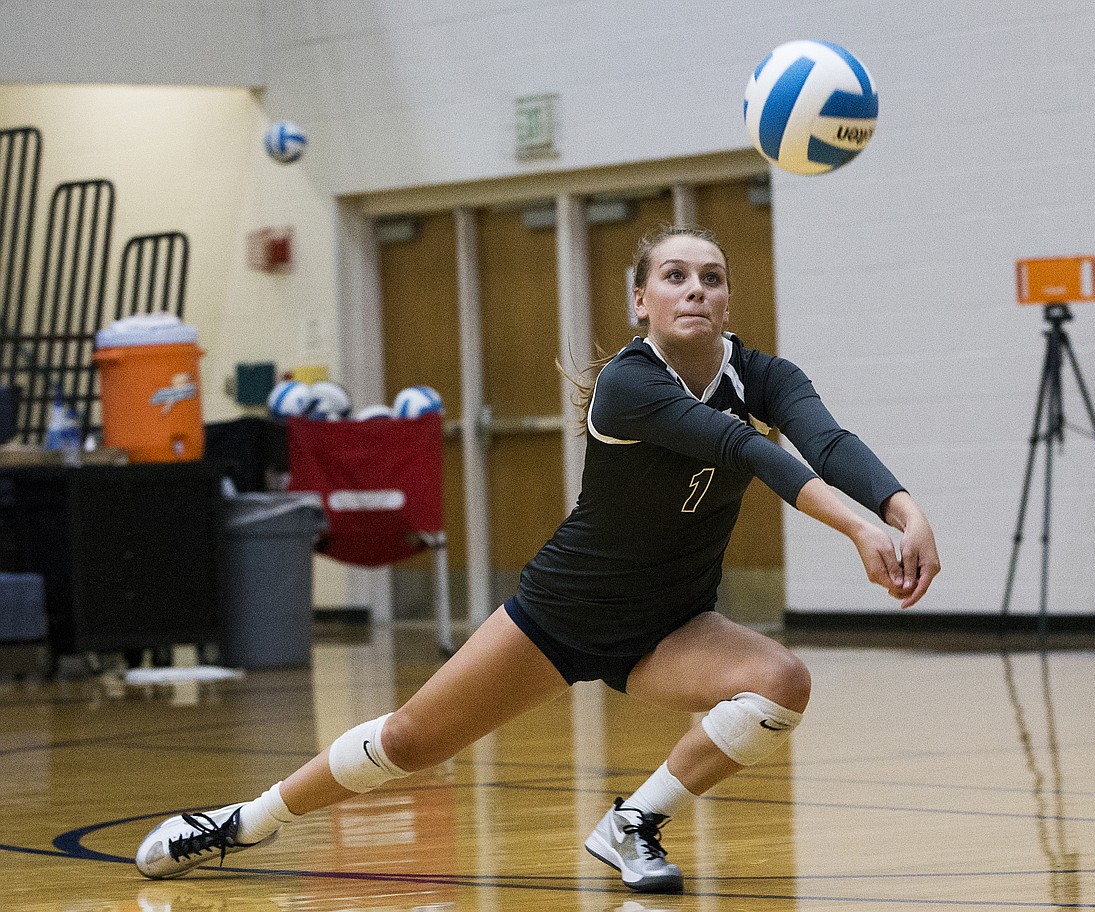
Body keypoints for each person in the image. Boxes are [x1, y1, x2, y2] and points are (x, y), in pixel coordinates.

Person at [135, 224, 939, 893]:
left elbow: (826, 442)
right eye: (675, 275)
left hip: (670, 623)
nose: (696, 288)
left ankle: (634, 823)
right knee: (413, 743)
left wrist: (904, 511)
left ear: (729, 300)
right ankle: (246, 821)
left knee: (782, 685)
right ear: (642, 301)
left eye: (712, 277)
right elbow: (743, 450)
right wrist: (860, 533)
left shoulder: (760, 374)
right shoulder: (631, 385)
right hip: (560, 615)